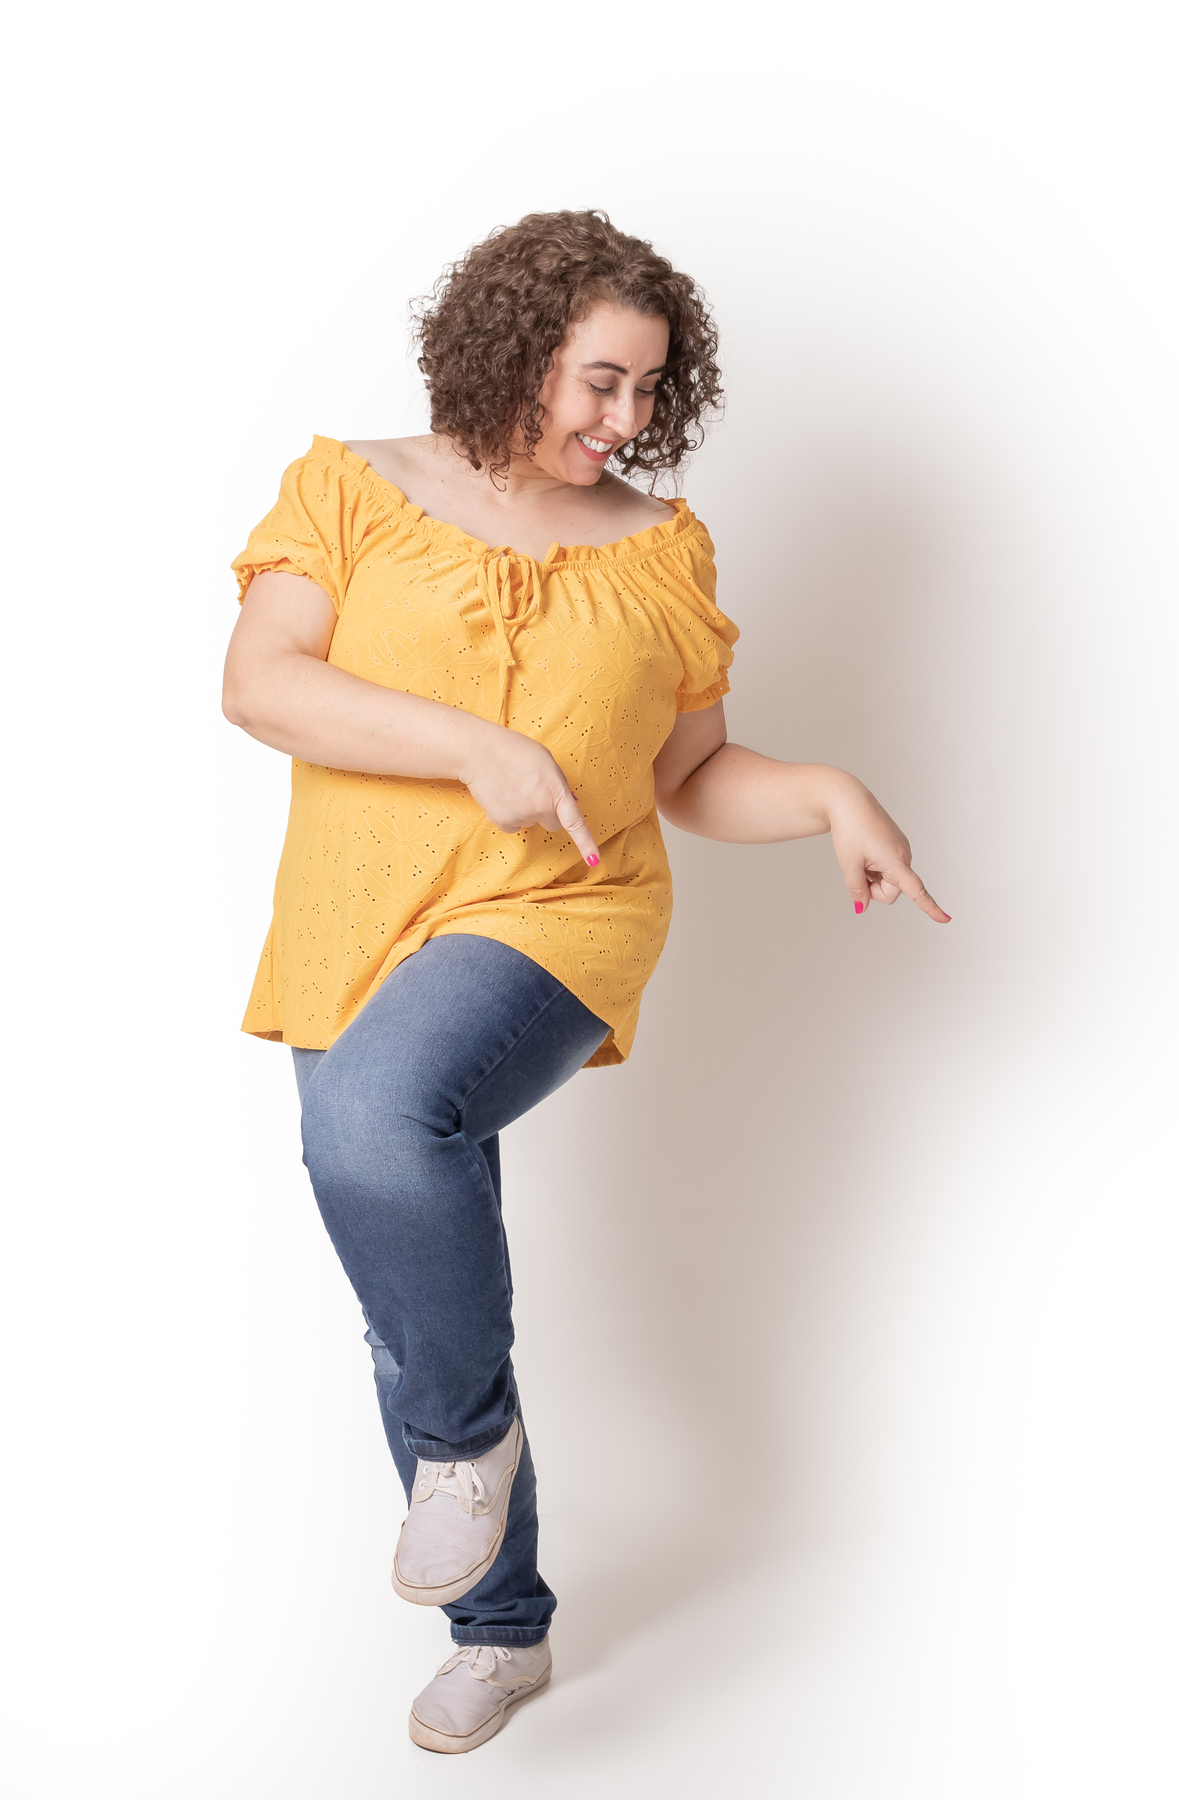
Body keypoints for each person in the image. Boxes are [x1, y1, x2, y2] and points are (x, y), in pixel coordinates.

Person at [222, 209, 949, 1756]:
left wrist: (824, 790)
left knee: (370, 1132)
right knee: (407, 1261)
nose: (624, 422)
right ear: (512, 347)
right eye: (599, 383)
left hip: (566, 908)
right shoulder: (351, 490)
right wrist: (476, 746)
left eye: (647, 393)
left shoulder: (658, 550)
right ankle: (506, 1626)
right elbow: (261, 681)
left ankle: (464, 1447)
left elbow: (688, 776)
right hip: (360, 918)